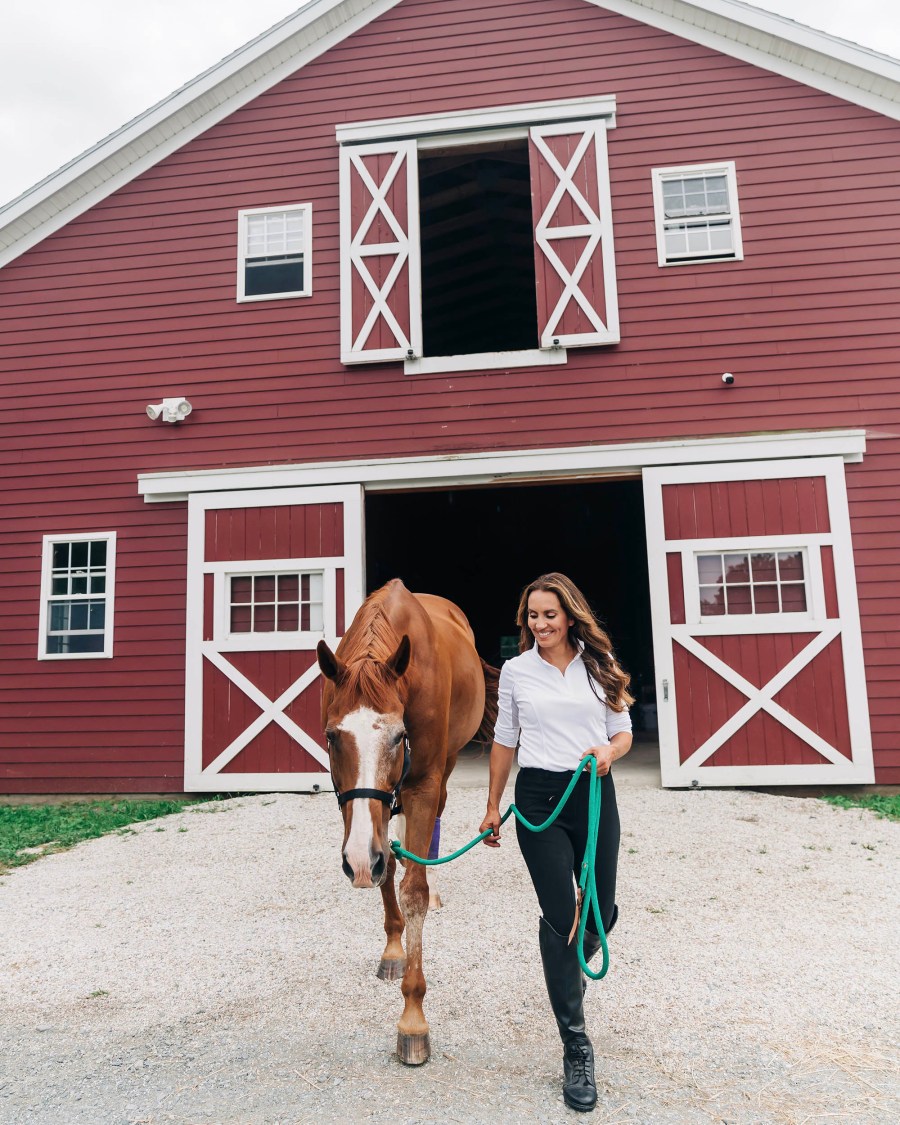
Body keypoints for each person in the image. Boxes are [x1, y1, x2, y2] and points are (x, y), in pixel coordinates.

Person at [479, 572, 634, 1113]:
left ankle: (567, 974)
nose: (540, 624)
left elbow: (622, 729)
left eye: (549, 614)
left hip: (593, 792)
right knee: (560, 914)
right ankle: (576, 1044)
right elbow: (505, 740)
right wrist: (493, 805)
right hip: (540, 798)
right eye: (533, 615)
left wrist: (610, 751)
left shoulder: (600, 664)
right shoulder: (517, 671)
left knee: (600, 912)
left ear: (570, 616)